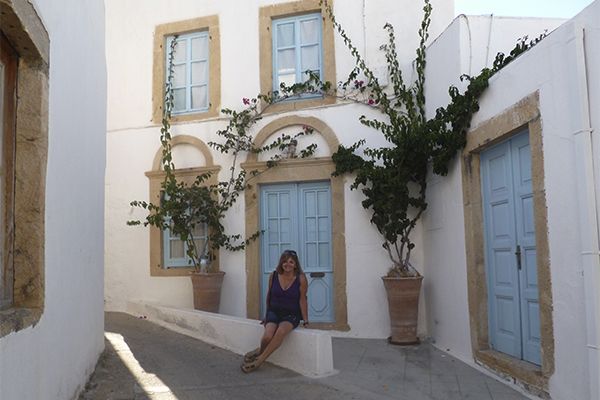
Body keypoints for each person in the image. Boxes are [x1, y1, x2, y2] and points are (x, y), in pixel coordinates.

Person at [241, 249, 308, 373]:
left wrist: (306, 320)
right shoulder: (274, 275)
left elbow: (303, 299)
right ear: (281, 263)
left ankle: (258, 361)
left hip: (291, 315)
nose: (287, 264)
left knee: (280, 331)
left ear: (295, 265)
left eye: (291, 262)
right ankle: (259, 350)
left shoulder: (301, 279)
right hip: (274, 312)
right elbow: (269, 296)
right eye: (285, 261)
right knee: (267, 336)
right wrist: (267, 315)